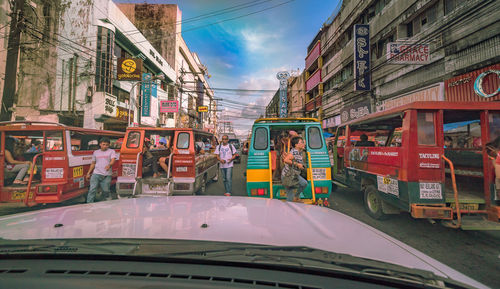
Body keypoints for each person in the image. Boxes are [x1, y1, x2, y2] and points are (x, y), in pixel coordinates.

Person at [85, 137, 117, 203]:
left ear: (109, 145)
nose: (105, 146)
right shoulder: (96, 152)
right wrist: (88, 173)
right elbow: (93, 163)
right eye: (103, 144)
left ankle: (108, 204)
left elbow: (113, 160)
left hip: (106, 175)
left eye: (107, 145)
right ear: (100, 144)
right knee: (92, 189)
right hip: (96, 174)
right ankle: (89, 204)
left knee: (106, 191)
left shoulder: (111, 151)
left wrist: (109, 165)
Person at [281, 136, 308, 202]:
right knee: (290, 196)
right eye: (301, 142)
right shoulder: (294, 152)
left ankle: (296, 196)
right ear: (296, 145)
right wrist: (298, 164)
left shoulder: (299, 151)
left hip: (294, 174)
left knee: (304, 183)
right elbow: (286, 160)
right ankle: (288, 209)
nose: (303, 144)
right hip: (288, 176)